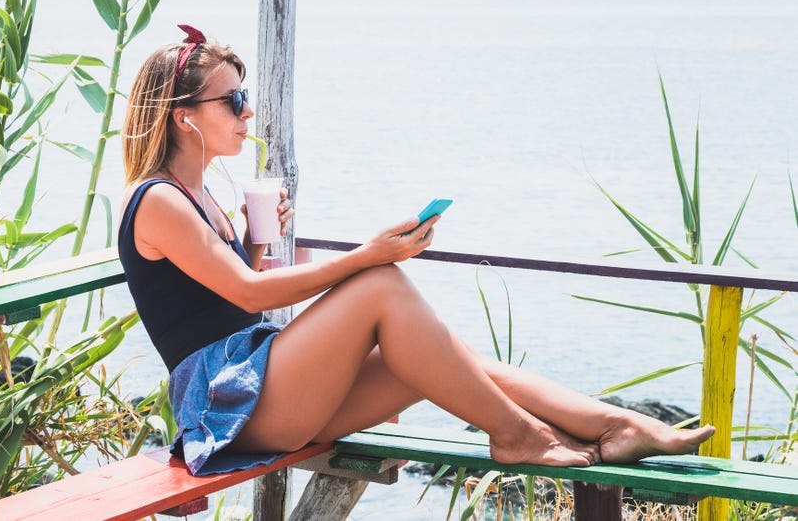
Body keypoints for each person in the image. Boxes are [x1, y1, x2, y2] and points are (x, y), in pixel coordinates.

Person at [118, 24, 715, 476]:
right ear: (183, 119)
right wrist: (368, 254)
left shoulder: (201, 194)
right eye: (232, 101)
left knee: (446, 358)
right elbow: (247, 294)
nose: (248, 111)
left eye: (243, 96)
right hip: (226, 406)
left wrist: (253, 241)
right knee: (380, 286)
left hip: (263, 384)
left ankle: (615, 424)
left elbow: (228, 294)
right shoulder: (158, 200)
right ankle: (517, 435)